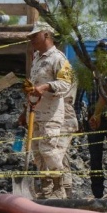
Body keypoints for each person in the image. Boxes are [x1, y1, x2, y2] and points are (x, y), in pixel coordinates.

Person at [24, 22, 74, 199]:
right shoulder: (38, 58)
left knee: (49, 150)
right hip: (35, 112)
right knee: (37, 153)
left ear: (46, 35)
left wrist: (46, 86)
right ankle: (46, 188)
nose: (32, 40)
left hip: (51, 113)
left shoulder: (58, 58)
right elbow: (32, 85)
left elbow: (66, 84)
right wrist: (25, 109)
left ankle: (58, 188)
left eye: (34, 36)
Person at [78, 38, 107, 199]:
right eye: (101, 52)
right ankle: (97, 194)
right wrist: (79, 119)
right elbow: (78, 97)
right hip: (93, 119)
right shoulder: (89, 72)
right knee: (95, 157)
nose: (104, 56)